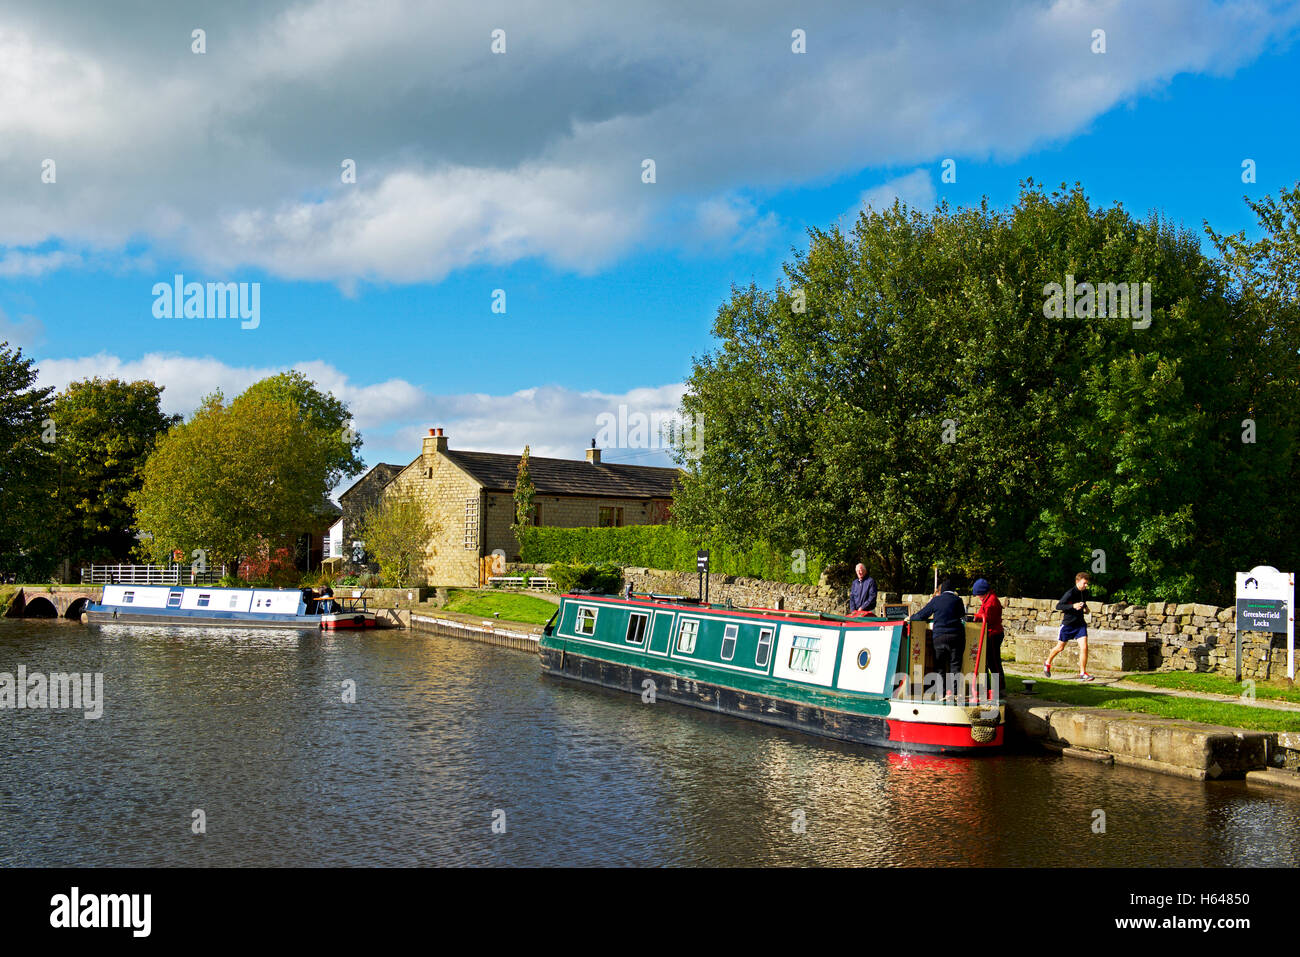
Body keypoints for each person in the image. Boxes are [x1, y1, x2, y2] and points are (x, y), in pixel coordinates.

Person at [908, 578, 966, 699]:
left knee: (940, 666)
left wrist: (911, 617)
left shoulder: (936, 600)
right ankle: (954, 694)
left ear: (942, 590)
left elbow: (921, 615)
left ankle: (941, 693)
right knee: (955, 666)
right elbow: (962, 615)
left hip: (939, 637)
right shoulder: (958, 600)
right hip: (956, 636)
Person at [1046, 571, 1093, 680]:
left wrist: (1085, 608)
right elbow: (1059, 606)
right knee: (1060, 647)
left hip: (1080, 624)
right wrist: (1073, 606)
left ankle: (1082, 673)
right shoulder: (1070, 593)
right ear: (1077, 581)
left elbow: (1084, 605)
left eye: (1087, 583)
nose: (1086, 585)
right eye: (1084, 583)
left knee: (1084, 647)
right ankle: (1047, 662)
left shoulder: (1084, 592)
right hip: (1068, 624)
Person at [971, 578, 1005, 700]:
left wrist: (976, 619)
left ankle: (998, 689)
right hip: (991, 634)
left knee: (994, 663)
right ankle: (992, 688)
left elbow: (986, 618)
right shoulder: (988, 600)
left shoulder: (991, 603)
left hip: (993, 635)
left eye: (978, 594)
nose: (978, 597)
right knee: (991, 662)